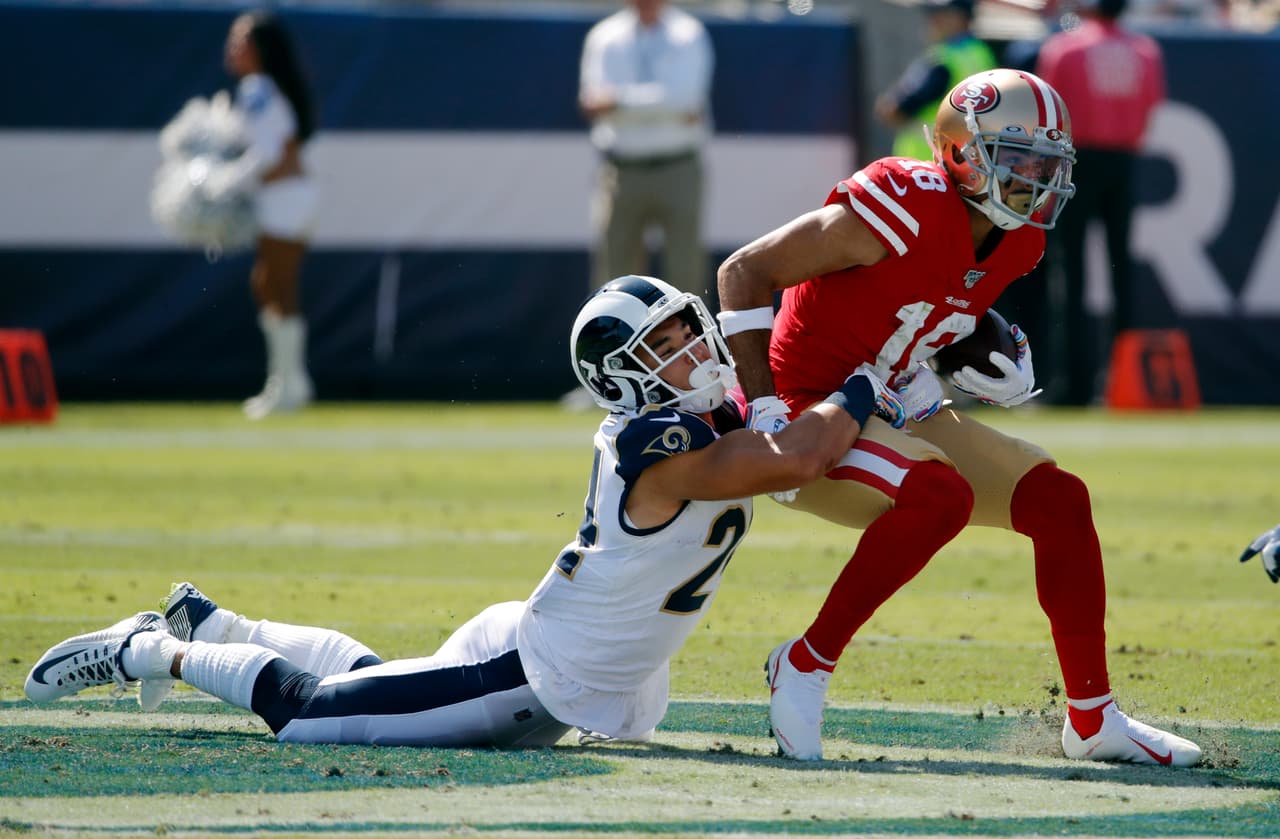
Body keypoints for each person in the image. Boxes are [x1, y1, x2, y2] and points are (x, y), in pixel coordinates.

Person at [24, 275, 905, 749]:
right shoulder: (653, 443)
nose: (690, 351)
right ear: (624, 377)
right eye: (663, 348)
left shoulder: (701, 418)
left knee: (380, 684)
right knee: (312, 712)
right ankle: (157, 647)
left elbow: (784, 404)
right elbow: (801, 453)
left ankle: (215, 620)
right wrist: (878, 375)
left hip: (554, 646)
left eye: (686, 331)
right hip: (532, 671)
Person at [717, 68, 1201, 767]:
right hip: (803, 407)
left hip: (883, 397)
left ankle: (1093, 720)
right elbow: (743, 272)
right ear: (959, 153)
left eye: (1048, 164)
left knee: (1059, 499)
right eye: (1020, 160)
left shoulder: (1021, 240)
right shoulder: (901, 202)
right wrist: (763, 409)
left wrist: (966, 350)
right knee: (941, 494)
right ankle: (806, 661)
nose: (1037, 179)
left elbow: (917, 304)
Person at [1035, 0, 1166, 405]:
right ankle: (1125, 383)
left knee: (1069, 275)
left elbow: (1047, 114)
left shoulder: (1066, 48)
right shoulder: (1144, 50)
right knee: (1121, 271)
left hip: (1077, 162)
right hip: (1123, 162)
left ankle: (1071, 385)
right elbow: (1149, 110)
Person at [212, 11, 320, 420]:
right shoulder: (265, 89)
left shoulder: (256, 89)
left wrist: (224, 181)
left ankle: (288, 384)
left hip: (286, 197)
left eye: (240, 40)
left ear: (259, 49)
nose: (232, 48)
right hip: (291, 195)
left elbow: (270, 155)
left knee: (278, 284)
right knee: (268, 284)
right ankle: (288, 380)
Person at [579, 0, 714, 302]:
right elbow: (592, 102)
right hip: (621, 172)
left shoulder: (689, 34)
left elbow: (687, 101)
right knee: (614, 283)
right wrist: (664, 103)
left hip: (679, 168)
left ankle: (691, 349)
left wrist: (618, 103)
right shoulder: (604, 37)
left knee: (686, 277)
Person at [873, 0, 997, 162]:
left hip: (927, 163)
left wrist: (887, 106)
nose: (931, 20)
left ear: (959, 18)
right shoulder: (982, 53)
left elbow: (894, 110)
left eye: (939, 14)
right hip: (968, 163)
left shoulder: (943, 60)